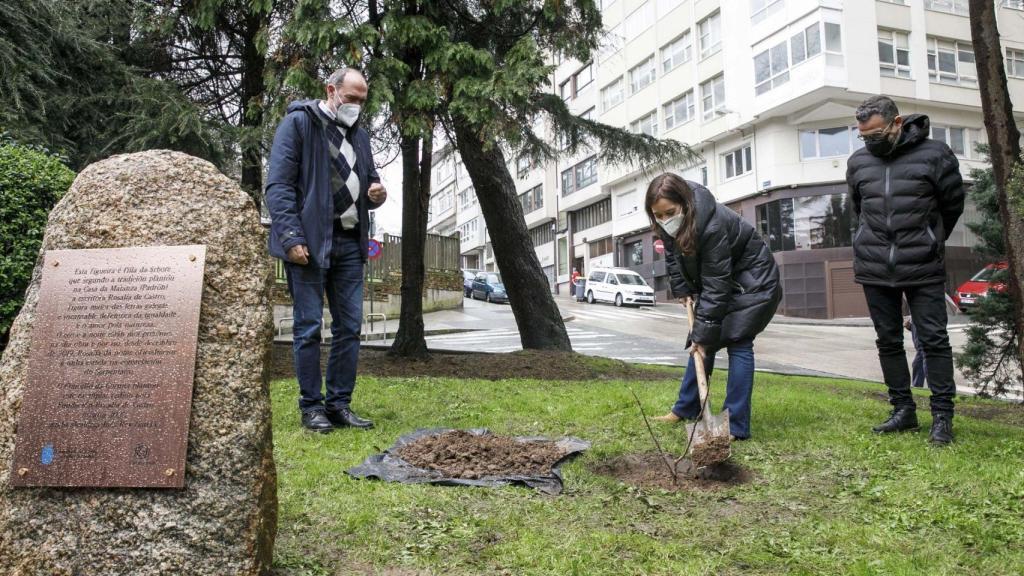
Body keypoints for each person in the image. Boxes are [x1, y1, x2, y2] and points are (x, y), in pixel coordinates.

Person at [266, 67, 387, 433]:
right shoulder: (299, 124)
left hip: (350, 242)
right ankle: (311, 407)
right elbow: (278, 186)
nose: (356, 107)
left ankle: (339, 405)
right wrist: (291, 237)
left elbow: (368, 182)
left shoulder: (360, 137)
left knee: (350, 327)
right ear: (331, 91)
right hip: (309, 243)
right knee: (307, 328)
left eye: (362, 102)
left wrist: (376, 194)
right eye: (351, 99)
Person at [847, 95, 964, 445]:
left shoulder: (935, 155)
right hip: (874, 265)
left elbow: (952, 205)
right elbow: (859, 209)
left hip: (923, 264)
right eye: (863, 135)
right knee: (888, 341)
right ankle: (903, 410)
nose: (869, 140)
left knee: (934, 341)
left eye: (875, 133)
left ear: (897, 123)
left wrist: (929, 238)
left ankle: (942, 417)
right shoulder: (858, 162)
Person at [648, 173, 782, 440]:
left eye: (669, 213)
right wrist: (682, 288)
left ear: (685, 203)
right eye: (658, 216)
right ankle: (686, 408)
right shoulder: (670, 222)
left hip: (753, 281)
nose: (665, 220)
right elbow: (674, 257)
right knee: (701, 340)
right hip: (725, 280)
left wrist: (703, 331)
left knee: (738, 342)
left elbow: (716, 283)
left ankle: (735, 424)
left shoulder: (712, 225)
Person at [904, 315, 926, 389]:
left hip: (923, 345)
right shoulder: (914, 313)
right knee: (919, 365)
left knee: (917, 365)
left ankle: (917, 387)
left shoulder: (921, 312)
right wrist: (909, 326)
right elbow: (915, 329)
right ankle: (918, 387)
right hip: (920, 345)